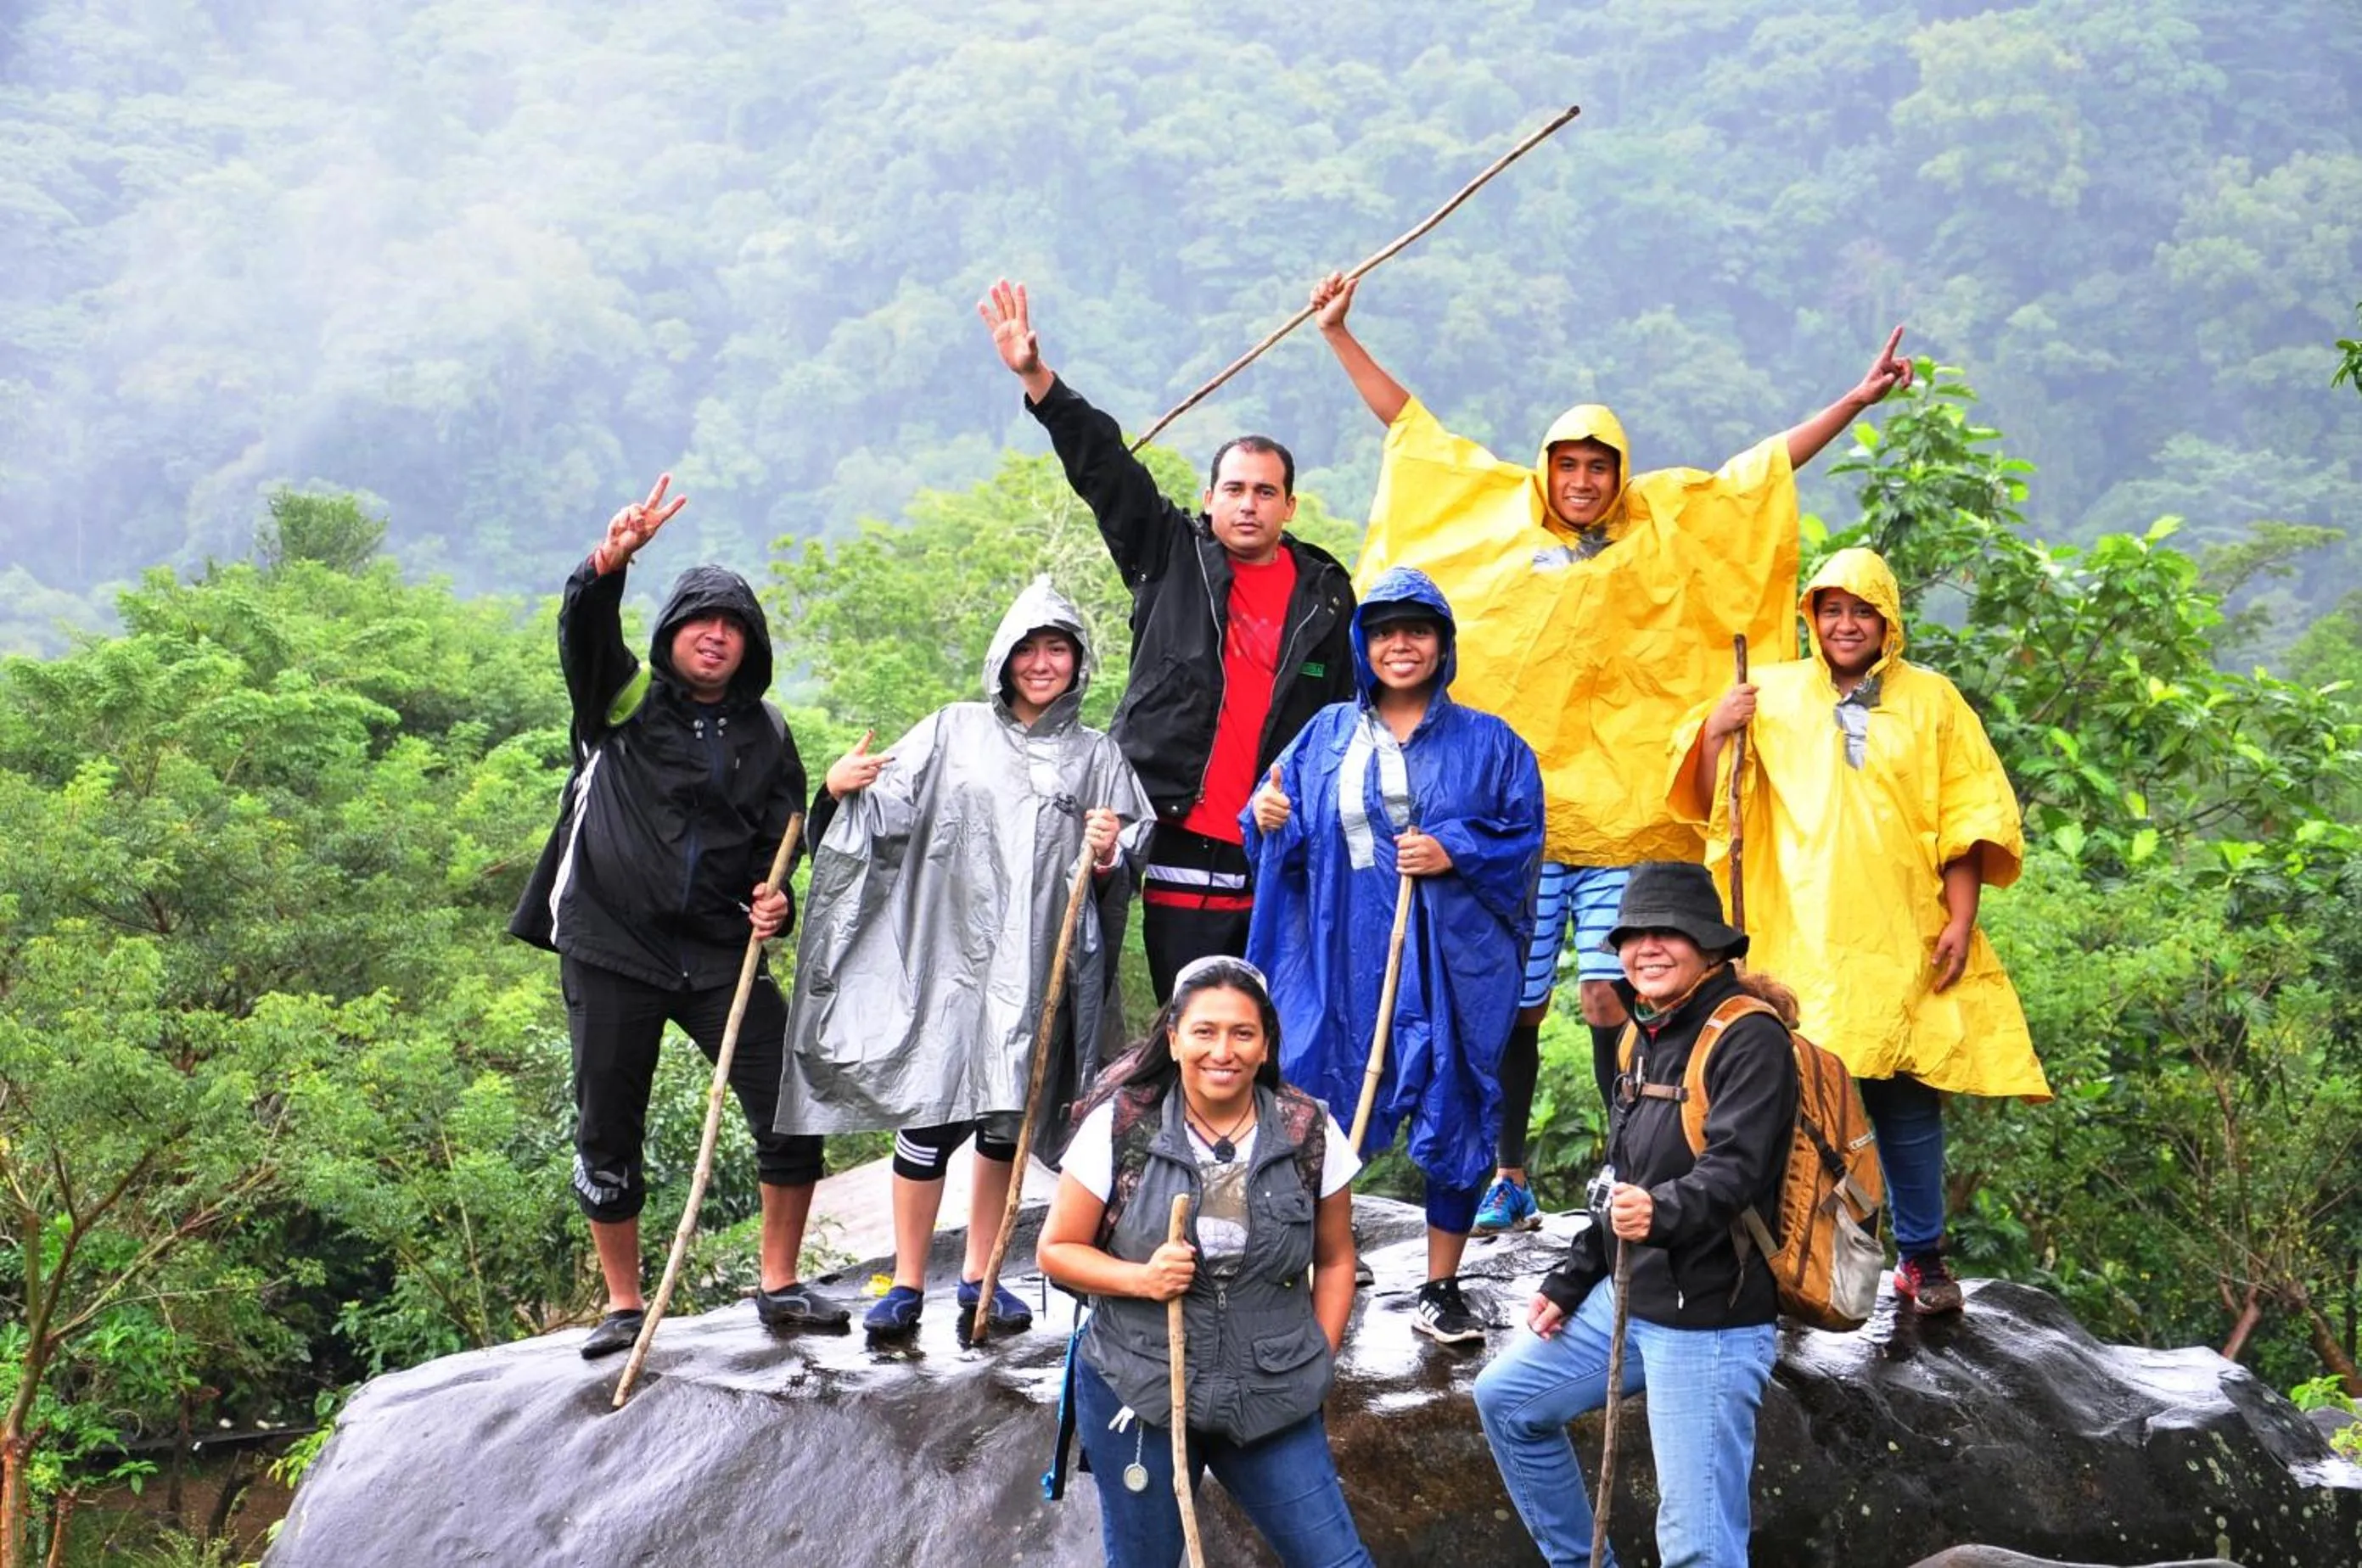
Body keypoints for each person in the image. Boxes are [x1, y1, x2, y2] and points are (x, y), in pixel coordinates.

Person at [1310, 270, 1914, 1237]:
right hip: (1516, 823)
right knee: (1503, 1001)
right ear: (1547, 470)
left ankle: (1620, 1161)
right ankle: (1508, 1169)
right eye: (1568, 466)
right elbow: (1416, 435)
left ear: (1617, 471)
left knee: (1610, 998)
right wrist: (1340, 336)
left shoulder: (1663, 523)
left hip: (1629, 818)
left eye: (1598, 467)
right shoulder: (1502, 517)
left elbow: (1760, 477)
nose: (1582, 482)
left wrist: (1851, 400)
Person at [508, 473, 846, 1358]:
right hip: (610, 941)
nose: (716, 636)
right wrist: (607, 565)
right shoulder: (622, 702)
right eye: (702, 622)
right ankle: (624, 1303)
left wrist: (776, 902)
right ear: (671, 634)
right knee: (607, 1120)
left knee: (787, 1100)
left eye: (733, 627)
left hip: (716, 954)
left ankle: (778, 1284)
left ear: (751, 645)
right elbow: (583, 634)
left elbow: (781, 835)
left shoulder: (767, 733)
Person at [1671, 546, 2049, 1314]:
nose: (1846, 625)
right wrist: (1715, 729)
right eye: (1831, 610)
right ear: (1811, 618)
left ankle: (1921, 1257)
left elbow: (1965, 818)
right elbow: (1714, 808)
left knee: (1903, 1098)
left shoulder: (1934, 701)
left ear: (1888, 620)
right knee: (1782, 1104)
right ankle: (1777, 1263)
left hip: (1899, 932)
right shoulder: (1769, 691)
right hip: (1794, 931)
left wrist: (1961, 916)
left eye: (1861, 611)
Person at [773, 576, 1152, 1338]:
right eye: (1029, 649)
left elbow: (1128, 848)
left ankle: (981, 1275)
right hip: (949, 960)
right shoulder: (952, 730)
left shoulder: (1096, 755)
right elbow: (886, 813)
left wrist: (1110, 854)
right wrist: (841, 790)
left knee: (1004, 1123)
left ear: (1079, 662)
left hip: (1041, 967)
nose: (1042, 664)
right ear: (1004, 658)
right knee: (928, 1116)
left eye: (1058, 649)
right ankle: (907, 1280)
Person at [981, 279, 1358, 1001]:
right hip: (1177, 835)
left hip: (1277, 850)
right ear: (1209, 497)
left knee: (1266, 1034)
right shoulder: (1168, 554)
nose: (1248, 504)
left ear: (1290, 505)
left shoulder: (1325, 595)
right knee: (1182, 1028)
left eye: (1265, 492)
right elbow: (1106, 470)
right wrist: (1037, 379)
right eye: (1235, 489)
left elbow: (1342, 724)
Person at [1241, 567, 1543, 1343]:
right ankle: (1329, 1265)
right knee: (1325, 1100)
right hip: (1346, 954)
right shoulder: (1326, 735)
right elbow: (1283, 829)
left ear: (1442, 643)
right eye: (1383, 632)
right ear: (1362, 645)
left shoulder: (1491, 743)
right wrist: (1266, 815)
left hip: (1451, 958)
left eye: (1416, 630)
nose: (1399, 645)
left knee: (1458, 1102)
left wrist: (1455, 849)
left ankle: (1441, 1286)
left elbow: (1524, 839)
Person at [1473, 863, 1798, 1568]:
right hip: (1631, 1296)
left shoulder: (1749, 1037)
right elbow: (1625, 1176)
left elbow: (1736, 1171)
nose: (1646, 948)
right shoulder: (1642, 1033)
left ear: (1710, 949)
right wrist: (1571, 1278)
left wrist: (1660, 1212)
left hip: (1710, 1316)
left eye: (1667, 934)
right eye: (1632, 936)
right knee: (1507, 1401)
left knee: (1696, 1549)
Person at [1037, 956, 1372, 1568]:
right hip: (1140, 1387)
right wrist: (1141, 1278)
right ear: (1172, 1037)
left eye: (1242, 1034)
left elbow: (1335, 1259)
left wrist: (1316, 1359)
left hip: (1272, 1388)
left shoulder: (1308, 1131)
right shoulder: (1121, 1125)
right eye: (1204, 1031)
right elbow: (1057, 1251)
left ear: (1266, 1043)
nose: (1223, 1051)